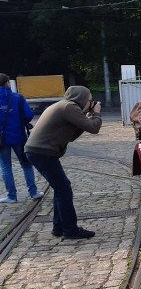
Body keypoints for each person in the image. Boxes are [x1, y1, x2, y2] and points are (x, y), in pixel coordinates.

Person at [25, 86, 102, 239]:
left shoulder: (63, 105)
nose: (91, 103)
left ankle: (59, 227)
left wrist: (86, 116)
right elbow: (94, 128)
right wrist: (97, 114)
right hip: (42, 151)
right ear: (82, 99)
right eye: (90, 100)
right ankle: (70, 230)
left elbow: (72, 135)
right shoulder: (70, 107)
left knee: (60, 188)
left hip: (37, 151)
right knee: (64, 189)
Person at [0, 73, 43, 203]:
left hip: (1, 140)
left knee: (5, 167)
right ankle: (33, 192)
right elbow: (28, 115)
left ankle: (11, 196)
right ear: (7, 82)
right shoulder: (17, 98)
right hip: (19, 136)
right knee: (26, 165)